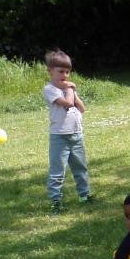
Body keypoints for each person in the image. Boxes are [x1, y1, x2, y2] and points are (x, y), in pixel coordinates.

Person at [42, 48, 93, 212]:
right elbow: (68, 103)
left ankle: (84, 196)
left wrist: (73, 91)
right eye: (60, 71)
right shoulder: (50, 89)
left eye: (68, 72)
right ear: (50, 71)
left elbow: (81, 108)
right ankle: (55, 202)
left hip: (76, 135)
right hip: (60, 137)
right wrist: (70, 89)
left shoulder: (69, 89)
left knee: (80, 168)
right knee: (57, 171)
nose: (64, 75)